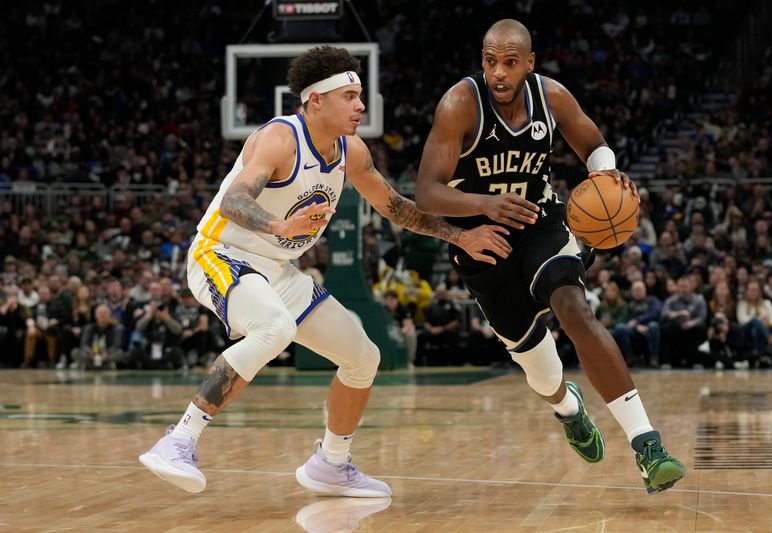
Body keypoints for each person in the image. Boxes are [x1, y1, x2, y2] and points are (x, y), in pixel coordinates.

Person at [138, 45, 510, 497]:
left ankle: (331, 465)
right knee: (272, 329)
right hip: (221, 252)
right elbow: (235, 202)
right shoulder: (278, 139)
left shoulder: (351, 151)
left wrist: (460, 236)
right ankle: (178, 441)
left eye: (360, 96)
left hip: (276, 268)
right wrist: (277, 224)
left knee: (363, 356)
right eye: (350, 96)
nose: (361, 105)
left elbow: (396, 208)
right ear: (316, 100)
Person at [415, 19, 684, 492]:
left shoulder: (552, 96)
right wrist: (484, 205)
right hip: (481, 247)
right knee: (541, 373)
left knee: (574, 309)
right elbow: (426, 193)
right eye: (490, 61)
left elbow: (593, 145)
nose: (499, 72)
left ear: (529, 64)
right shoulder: (459, 104)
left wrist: (608, 174)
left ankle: (647, 445)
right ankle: (570, 409)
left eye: (510, 63)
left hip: (539, 222)